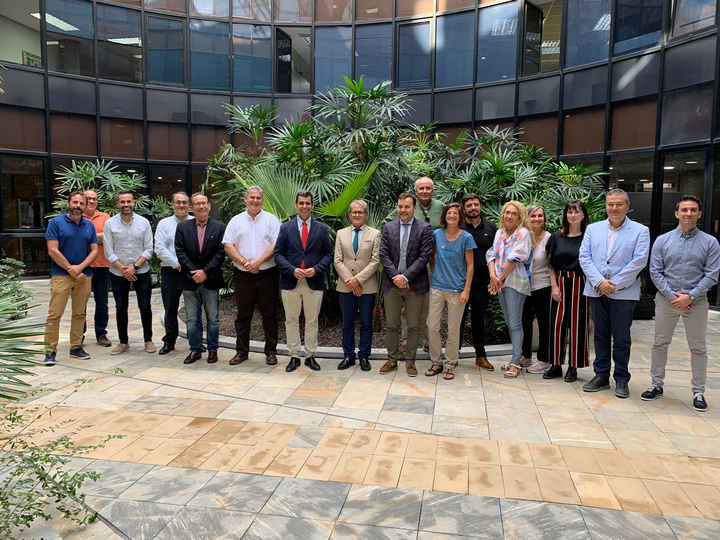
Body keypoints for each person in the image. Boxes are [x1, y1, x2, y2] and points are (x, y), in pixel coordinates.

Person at [644, 195, 720, 411]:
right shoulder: (662, 240)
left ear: (699, 214)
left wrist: (690, 297)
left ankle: (698, 392)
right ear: (677, 214)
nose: (688, 213)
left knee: (698, 347)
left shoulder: (710, 242)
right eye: (684, 210)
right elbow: (655, 272)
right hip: (667, 301)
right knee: (660, 343)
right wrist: (672, 297)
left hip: (696, 302)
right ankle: (656, 384)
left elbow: (711, 274)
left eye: (693, 210)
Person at [579, 188, 650, 398]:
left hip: (624, 293)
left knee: (621, 338)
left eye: (619, 204)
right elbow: (584, 257)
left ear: (627, 206)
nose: (614, 208)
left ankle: (621, 378)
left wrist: (613, 285)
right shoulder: (593, 229)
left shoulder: (640, 231)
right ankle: (601, 375)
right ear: (606, 206)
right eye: (611, 204)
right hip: (596, 290)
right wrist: (600, 282)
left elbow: (638, 261)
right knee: (600, 335)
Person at [274, 191, 333, 373]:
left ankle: (310, 355)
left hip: (313, 281)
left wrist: (316, 269)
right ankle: (293, 355)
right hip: (291, 281)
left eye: (308, 203)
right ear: (296, 205)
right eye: (301, 203)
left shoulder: (322, 229)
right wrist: (292, 270)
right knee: (291, 320)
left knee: (312, 320)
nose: (305, 206)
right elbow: (278, 254)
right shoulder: (285, 228)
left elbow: (329, 254)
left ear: (312, 206)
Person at [223, 186, 281, 366]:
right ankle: (241, 352)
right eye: (252, 198)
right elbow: (228, 245)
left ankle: (271, 352)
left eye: (258, 198)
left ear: (262, 200)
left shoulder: (271, 220)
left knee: (270, 314)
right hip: (243, 275)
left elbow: (276, 244)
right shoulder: (236, 221)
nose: (255, 201)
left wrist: (257, 262)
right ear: (246, 199)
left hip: (267, 274)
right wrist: (245, 263)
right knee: (243, 315)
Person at [379, 192, 433, 376]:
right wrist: (396, 276)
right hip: (392, 284)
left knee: (413, 326)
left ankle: (411, 361)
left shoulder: (425, 228)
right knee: (391, 325)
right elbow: (383, 255)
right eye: (400, 206)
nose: (403, 210)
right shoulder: (388, 227)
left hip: (415, 285)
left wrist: (406, 277)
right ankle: (391, 360)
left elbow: (424, 256)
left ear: (415, 208)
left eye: (407, 206)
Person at [44, 192, 98, 366]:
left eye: (81, 203)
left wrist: (80, 268)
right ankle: (50, 350)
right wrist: (71, 269)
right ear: (68, 203)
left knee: (80, 313)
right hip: (61, 275)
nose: (78, 206)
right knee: (54, 314)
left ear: (85, 206)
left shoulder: (89, 226)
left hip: (84, 276)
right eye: (75, 202)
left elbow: (95, 251)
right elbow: (53, 250)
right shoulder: (56, 223)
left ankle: (75, 346)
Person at [424, 203, 475, 381]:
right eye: (449, 213)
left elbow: (470, 265)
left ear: (459, 217)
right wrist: (436, 272)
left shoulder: (466, 237)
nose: (452, 216)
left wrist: (466, 290)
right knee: (432, 326)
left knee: (453, 330)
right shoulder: (437, 234)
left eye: (455, 213)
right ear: (444, 216)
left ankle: (450, 363)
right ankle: (436, 362)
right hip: (437, 287)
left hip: (457, 289)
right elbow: (431, 256)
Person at [542, 201, 591, 382]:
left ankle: (573, 367)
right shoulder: (557, 236)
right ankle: (555, 365)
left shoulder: (588, 237)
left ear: (583, 215)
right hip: (560, 282)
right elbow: (551, 264)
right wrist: (554, 286)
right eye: (570, 212)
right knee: (557, 324)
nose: (573, 215)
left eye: (577, 212)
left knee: (578, 326)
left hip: (580, 282)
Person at [175, 193, 226, 365]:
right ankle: (195, 349)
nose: (201, 206)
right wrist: (194, 272)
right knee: (192, 318)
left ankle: (213, 350)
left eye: (204, 203)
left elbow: (221, 252)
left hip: (211, 279)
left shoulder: (219, 227)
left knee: (213, 317)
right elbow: (180, 251)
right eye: (197, 204)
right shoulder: (183, 227)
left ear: (209, 206)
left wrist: (205, 272)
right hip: (189, 280)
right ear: (191, 207)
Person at [104, 190, 156, 355]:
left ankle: (148, 340)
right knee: (120, 307)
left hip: (142, 271)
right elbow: (108, 251)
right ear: (118, 204)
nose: (126, 205)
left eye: (129, 202)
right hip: (118, 273)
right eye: (122, 202)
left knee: (145, 306)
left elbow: (149, 249)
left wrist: (134, 267)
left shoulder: (144, 223)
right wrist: (124, 269)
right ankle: (123, 342)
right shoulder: (110, 224)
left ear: (134, 203)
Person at [486, 201, 532, 379]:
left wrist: (499, 278)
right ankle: (516, 357)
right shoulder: (500, 232)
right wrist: (493, 277)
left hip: (514, 283)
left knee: (515, 323)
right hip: (499, 282)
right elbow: (491, 255)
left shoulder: (523, 233)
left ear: (520, 216)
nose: (509, 216)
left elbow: (515, 258)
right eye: (507, 213)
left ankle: (515, 361)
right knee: (508, 321)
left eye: (514, 213)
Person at [334, 200, 381, 372]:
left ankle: (364, 355)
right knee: (347, 322)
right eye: (354, 212)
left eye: (360, 212)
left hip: (366, 286)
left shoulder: (375, 234)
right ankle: (348, 355)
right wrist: (350, 281)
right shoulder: (341, 233)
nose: (357, 215)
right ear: (349, 214)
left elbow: (375, 261)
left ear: (366, 214)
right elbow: (337, 260)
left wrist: (358, 280)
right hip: (345, 286)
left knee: (366, 322)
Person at [460, 193, 497, 371]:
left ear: (480, 206)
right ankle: (453, 356)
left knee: (478, 320)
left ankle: (480, 355)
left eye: (475, 204)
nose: (472, 208)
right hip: (460, 282)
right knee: (457, 320)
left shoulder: (491, 227)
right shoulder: (458, 227)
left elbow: (497, 253)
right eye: (469, 206)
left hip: (483, 282)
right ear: (464, 209)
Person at [154, 192, 193, 356]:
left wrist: (187, 266)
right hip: (171, 270)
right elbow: (160, 248)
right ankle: (169, 341)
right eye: (178, 202)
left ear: (189, 205)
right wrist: (177, 264)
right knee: (170, 308)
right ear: (172, 205)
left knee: (193, 308)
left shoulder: (195, 222)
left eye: (184, 202)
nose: (181, 205)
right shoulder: (164, 224)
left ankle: (195, 342)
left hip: (191, 271)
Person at [522, 204, 552, 374]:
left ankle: (544, 359)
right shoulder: (522, 237)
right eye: (533, 216)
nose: (536, 219)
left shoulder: (550, 238)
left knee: (543, 324)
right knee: (524, 322)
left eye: (540, 215)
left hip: (543, 286)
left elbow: (553, 265)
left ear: (544, 219)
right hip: (524, 287)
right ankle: (526, 356)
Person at [82, 189, 112, 347]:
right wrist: (98, 237)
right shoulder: (77, 216)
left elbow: (109, 236)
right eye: (89, 199)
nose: (92, 201)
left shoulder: (105, 217)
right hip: (83, 266)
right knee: (81, 303)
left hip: (103, 265)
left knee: (102, 302)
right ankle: (79, 334)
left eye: (94, 199)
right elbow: (77, 238)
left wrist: (88, 237)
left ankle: (101, 334)